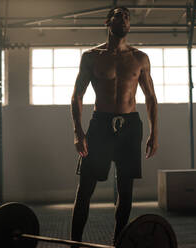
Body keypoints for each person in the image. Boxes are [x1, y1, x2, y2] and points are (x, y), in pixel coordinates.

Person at [70, 6, 158, 246]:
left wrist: (154, 133)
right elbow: (77, 96)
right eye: (119, 15)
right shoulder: (91, 57)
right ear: (108, 22)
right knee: (84, 190)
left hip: (130, 126)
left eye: (128, 17)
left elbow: (150, 97)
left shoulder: (140, 58)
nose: (124, 19)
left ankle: (119, 241)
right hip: (100, 125)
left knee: (126, 191)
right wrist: (78, 132)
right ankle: (75, 243)